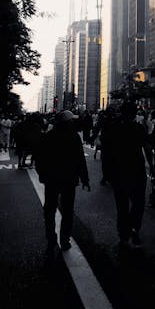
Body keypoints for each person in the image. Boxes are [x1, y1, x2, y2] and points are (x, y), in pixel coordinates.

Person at [35, 110, 90, 257]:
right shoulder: (73, 137)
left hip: (52, 180)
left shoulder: (48, 137)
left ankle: (51, 240)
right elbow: (80, 160)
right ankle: (64, 240)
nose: (73, 123)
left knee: (50, 210)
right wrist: (85, 178)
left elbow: (39, 158)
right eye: (71, 121)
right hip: (68, 179)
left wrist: (42, 175)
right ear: (67, 123)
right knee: (67, 211)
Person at [106, 101, 153, 248]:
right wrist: (151, 165)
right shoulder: (139, 128)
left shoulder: (114, 128)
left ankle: (123, 233)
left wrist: (108, 170)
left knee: (122, 204)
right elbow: (147, 147)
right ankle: (134, 227)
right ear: (134, 114)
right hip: (136, 170)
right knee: (138, 202)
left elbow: (107, 151)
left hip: (118, 170)